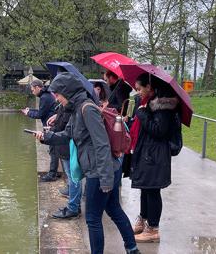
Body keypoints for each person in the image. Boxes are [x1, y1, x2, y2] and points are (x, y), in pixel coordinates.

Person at [34, 72, 140, 254]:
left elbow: (102, 144)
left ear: (67, 91)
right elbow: (67, 135)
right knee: (114, 209)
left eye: (57, 93)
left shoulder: (87, 109)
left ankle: (125, 249)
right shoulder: (75, 110)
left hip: (100, 171)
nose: (56, 97)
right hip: (103, 168)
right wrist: (46, 137)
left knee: (92, 218)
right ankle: (132, 249)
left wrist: (105, 179)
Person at [129, 73, 179, 243]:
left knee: (153, 190)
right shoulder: (148, 103)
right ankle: (143, 221)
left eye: (139, 89)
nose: (138, 92)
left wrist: (142, 114)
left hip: (155, 155)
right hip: (148, 153)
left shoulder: (163, 106)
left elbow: (160, 131)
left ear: (149, 87)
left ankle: (153, 229)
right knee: (146, 188)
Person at [46, 103, 82, 219]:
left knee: (73, 178)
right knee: (72, 177)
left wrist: (49, 132)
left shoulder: (71, 107)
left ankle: (73, 208)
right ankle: (75, 205)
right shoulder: (65, 106)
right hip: (64, 147)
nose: (56, 98)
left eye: (58, 94)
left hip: (66, 148)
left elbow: (64, 129)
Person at [21, 79, 58, 182]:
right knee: (53, 150)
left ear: (38, 87)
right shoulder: (46, 95)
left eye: (33, 90)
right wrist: (30, 110)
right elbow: (42, 111)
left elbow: (40, 114)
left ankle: (52, 174)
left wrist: (28, 113)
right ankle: (53, 172)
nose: (32, 92)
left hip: (51, 126)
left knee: (53, 150)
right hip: (51, 125)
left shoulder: (44, 97)